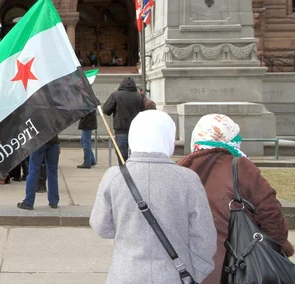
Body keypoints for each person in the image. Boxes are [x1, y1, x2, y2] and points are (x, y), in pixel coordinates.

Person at [90, 110, 216, 283]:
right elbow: (204, 237)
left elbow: (101, 227)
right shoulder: (187, 179)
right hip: (173, 276)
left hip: (126, 274)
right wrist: (195, 272)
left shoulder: (114, 177)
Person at [178, 114, 294, 283]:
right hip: (235, 270)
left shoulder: (180, 171)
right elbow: (271, 215)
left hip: (186, 272)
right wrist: (280, 246)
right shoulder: (240, 167)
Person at [102, 77, 144, 163]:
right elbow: (142, 112)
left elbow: (106, 110)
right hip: (136, 130)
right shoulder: (138, 96)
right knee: (134, 155)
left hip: (121, 129)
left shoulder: (116, 95)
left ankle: (124, 172)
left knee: (122, 155)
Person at [17, 135, 61, 210]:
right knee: (53, 171)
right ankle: (54, 201)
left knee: (33, 171)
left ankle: (29, 202)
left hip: (38, 141)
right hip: (54, 141)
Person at [77, 103, 100, 168]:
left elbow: (83, 110)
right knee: (83, 141)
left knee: (86, 142)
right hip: (88, 122)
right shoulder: (88, 98)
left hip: (87, 123)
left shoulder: (87, 99)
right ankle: (91, 159)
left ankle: (87, 162)